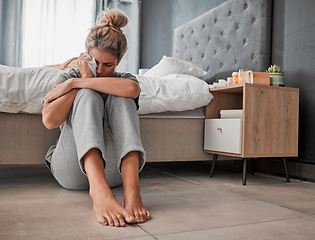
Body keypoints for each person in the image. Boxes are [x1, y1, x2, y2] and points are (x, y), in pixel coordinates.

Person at [42, 9, 151, 227]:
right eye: (94, 61)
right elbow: (50, 121)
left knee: (122, 97)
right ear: (86, 54)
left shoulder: (121, 80)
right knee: (88, 95)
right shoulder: (69, 77)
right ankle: (98, 191)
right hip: (70, 170)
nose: (100, 70)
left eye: (108, 65)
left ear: (119, 61)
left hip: (115, 173)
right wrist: (81, 82)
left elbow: (132, 89)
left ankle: (132, 192)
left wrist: (77, 83)